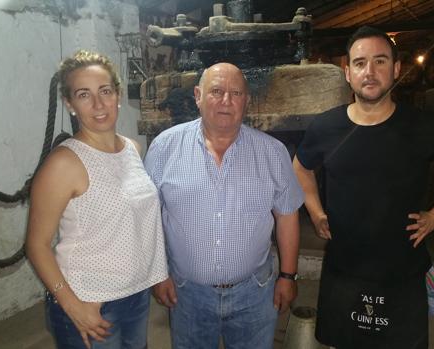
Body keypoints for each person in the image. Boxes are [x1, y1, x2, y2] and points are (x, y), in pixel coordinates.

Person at [293, 26, 434, 349]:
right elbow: (300, 167)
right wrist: (314, 207)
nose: (370, 72)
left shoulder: (422, 126)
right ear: (347, 73)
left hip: (402, 272)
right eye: (360, 62)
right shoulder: (326, 126)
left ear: (395, 70)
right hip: (343, 270)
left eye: (380, 61)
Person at [144, 62, 304, 349]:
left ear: (247, 100)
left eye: (236, 93)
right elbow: (149, 218)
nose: (226, 101)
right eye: (216, 91)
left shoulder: (272, 152)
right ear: (197, 95)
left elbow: (287, 216)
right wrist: (158, 273)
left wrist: (288, 276)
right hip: (187, 293)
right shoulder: (164, 148)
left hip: (255, 294)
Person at [25, 50, 168, 349]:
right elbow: (37, 245)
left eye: (105, 91)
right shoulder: (63, 163)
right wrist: (72, 305)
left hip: (136, 294)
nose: (99, 104)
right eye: (84, 95)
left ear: (117, 94)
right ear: (70, 104)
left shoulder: (132, 148)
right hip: (89, 300)